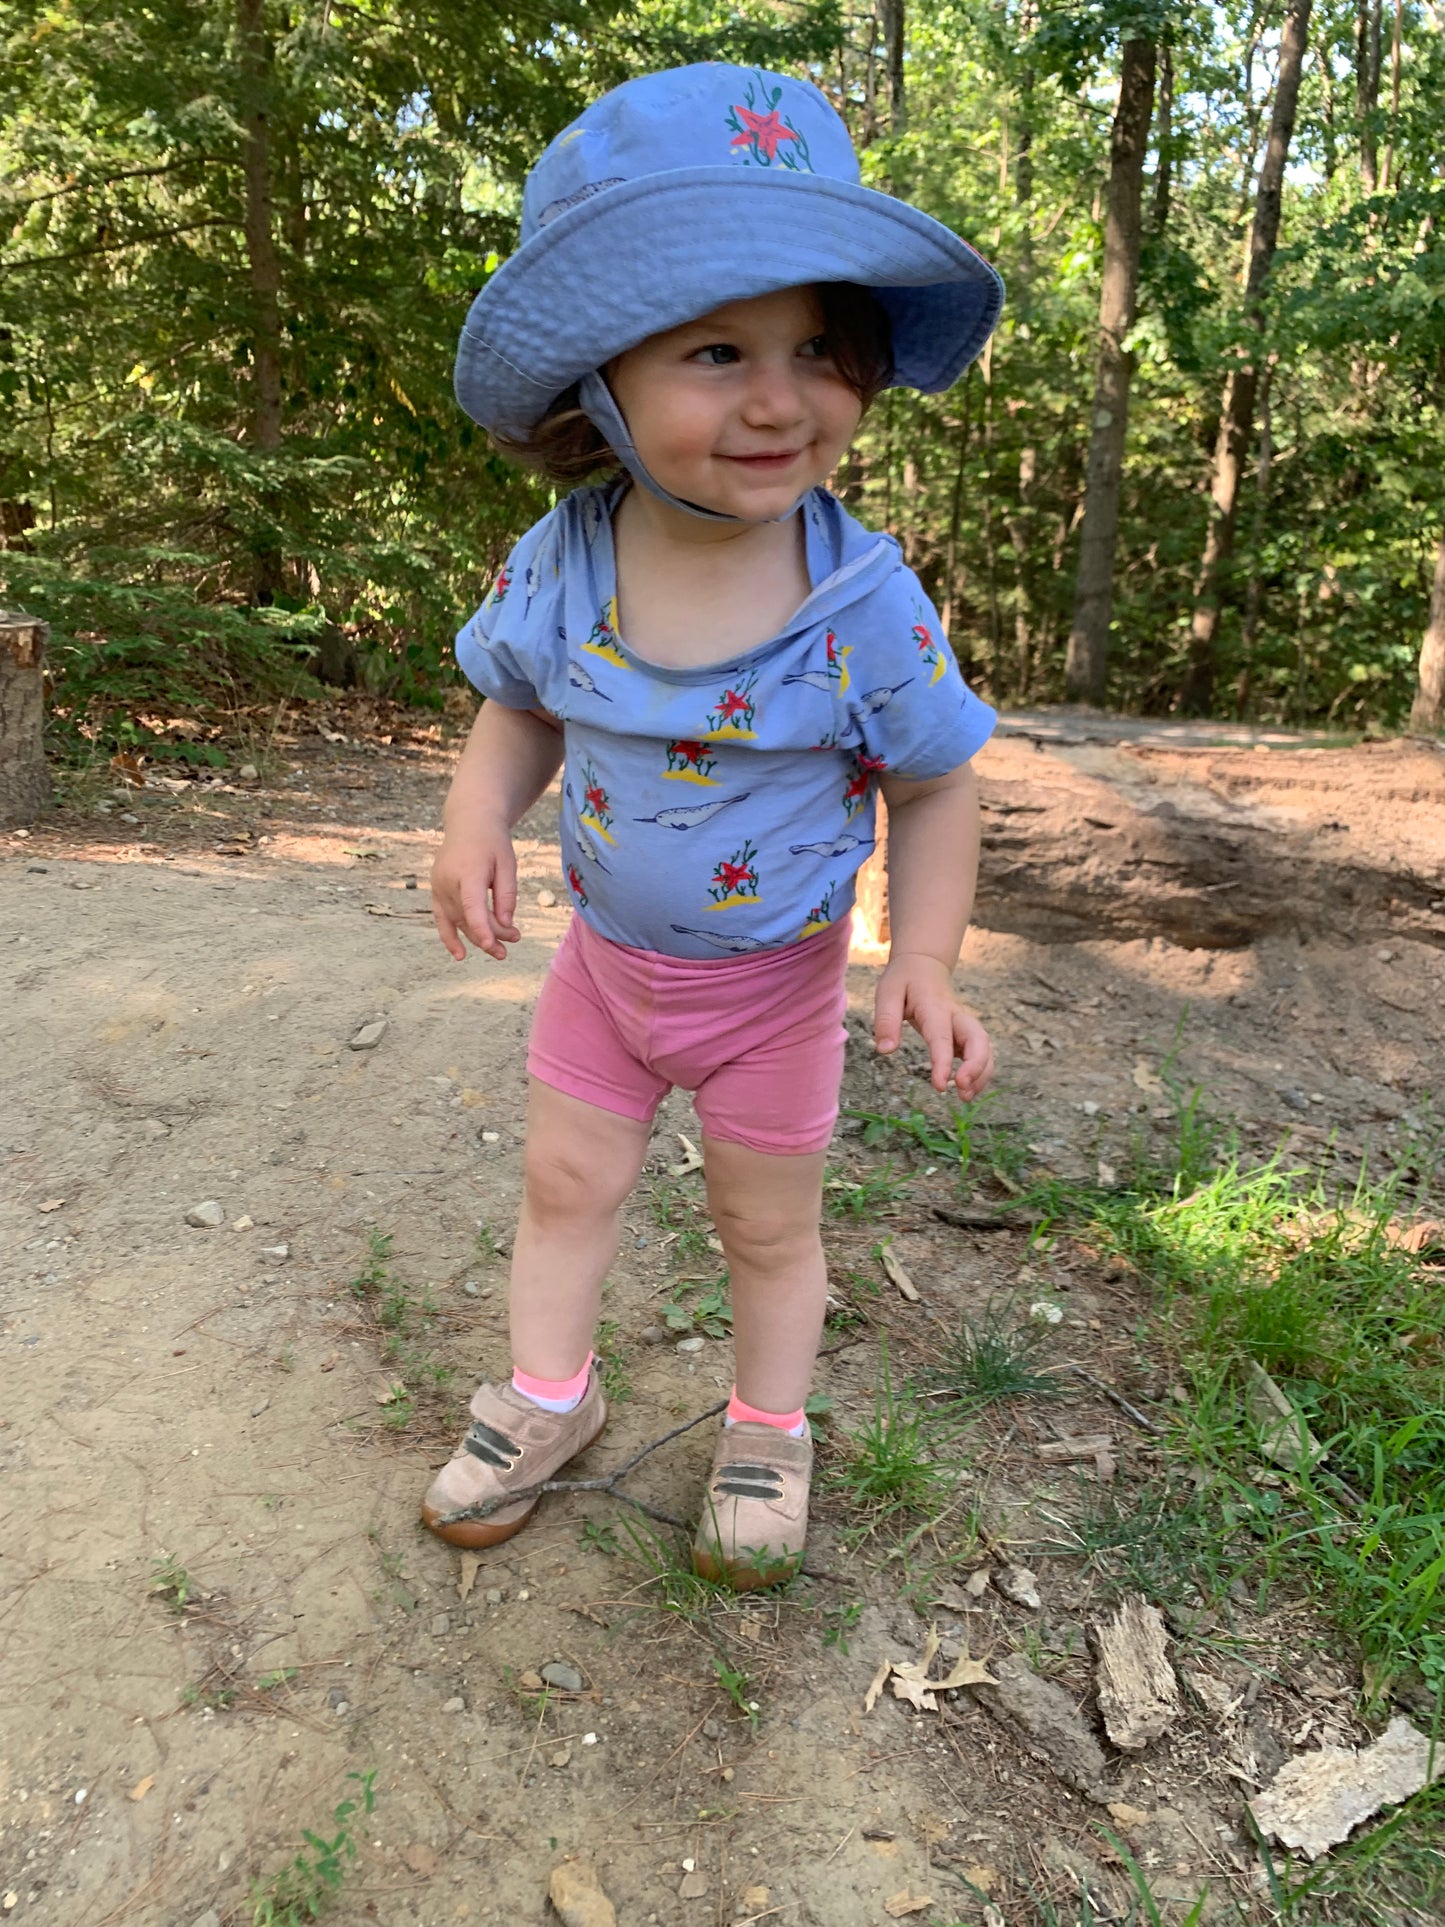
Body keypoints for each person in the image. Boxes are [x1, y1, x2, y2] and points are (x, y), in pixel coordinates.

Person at [421, 62, 1004, 1590]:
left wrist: (924, 955)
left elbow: (936, 779)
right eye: (716, 350)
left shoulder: (861, 602)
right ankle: (549, 1396)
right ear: (595, 382)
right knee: (565, 1186)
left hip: (772, 997)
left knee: (766, 1229)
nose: (776, 396)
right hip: (604, 970)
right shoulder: (565, 557)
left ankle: (766, 1425)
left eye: (818, 345)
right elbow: (524, 704)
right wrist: (476, 814)